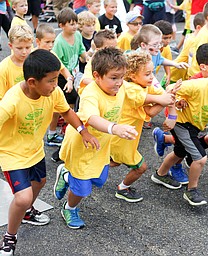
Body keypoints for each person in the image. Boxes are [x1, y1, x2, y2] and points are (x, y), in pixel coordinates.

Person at [0, 49, 99, 255]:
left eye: (57, 79)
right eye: (51, 81)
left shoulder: (53, 93)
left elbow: (66, 111)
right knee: (23, 197)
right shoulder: (13, 101)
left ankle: (27, 213)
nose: (56, 85)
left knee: (40, 183)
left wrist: (83, 131)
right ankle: (10, 236)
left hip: (35, 150)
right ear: (32, 82)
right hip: (12, 154)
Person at [53, 47, 138, 229]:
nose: (119, 82)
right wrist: (114, 128)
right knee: (82, 188)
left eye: (122, 77)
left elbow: (140, 93)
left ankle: (66, 175)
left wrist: (165, 97)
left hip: (101, 145)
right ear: (97, 75)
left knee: (98, 180)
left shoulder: (119, 87)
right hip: (82, 145)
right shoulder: (91, 93)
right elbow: (92, 118)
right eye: (114, 77)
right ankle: (69, 208)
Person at [151, 55, 208, 206]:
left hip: (194, 126)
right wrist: (176, 106)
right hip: (181, 123)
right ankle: (192, 190)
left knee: (179, 152)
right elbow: (169, 89)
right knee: (200, 158)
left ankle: (160, 174)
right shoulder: (198, 85)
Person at [110, 51, 179, 202]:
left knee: (113, 161)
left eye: (152, 72)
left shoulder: (145, 83)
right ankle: (122, 188)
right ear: (133, 76)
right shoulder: (129, 88)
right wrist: (166, 99)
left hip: (128, 138)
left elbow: (161, 95)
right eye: (147, 73)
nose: (152, 77)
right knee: (141, 167)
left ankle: (79, 172)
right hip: (121, 138)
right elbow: (151, 109)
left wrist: (168, 96)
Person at [152, 43, 208, 184]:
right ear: (203, 66)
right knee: (184, 148)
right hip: (179, 120)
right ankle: (173, 169)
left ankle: (163, 140)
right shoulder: (195, 81)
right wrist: (180, 101)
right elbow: (175, 92)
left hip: (192, 122)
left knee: (182, 147)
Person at [35, 23, 75, 147]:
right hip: (36, 94)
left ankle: (51, 134)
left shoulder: (52, 54)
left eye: (52, 42)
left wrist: (69, 79)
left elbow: (63, 69)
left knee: (58, 109)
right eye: (47, 42)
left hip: (51, 90)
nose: (51, 45)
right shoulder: (32, 57)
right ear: (38, 41)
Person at [52, 7, 88, 109]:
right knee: (69, 98)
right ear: (62, 25)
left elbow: (81, 50)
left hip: (75, 72)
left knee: (75, 97)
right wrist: (67, 78)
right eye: (71, 24)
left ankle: (68, 116)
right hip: (63, 76)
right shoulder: (59, 42)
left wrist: (87, 58)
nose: (75, 26)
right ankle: (66, 118)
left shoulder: (77, 35)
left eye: (76, 23)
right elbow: (57, 63)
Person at [78, 28, 117, 94]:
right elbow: (85, 80)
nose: (113, 51)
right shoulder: (94, 62)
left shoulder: (115, 60)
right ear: (98, 50)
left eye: (115, 47)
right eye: (109, 49)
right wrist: (104, 85)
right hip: (93, 94)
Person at [170, 12, 205, 83]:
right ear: (198, 27)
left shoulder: (191, 36)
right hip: (177, 74)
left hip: (181, 72)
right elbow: (189, 59)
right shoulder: (194, 40)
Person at [0, 24, 33, 100]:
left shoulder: (36, 63)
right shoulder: (3, 68)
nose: (24, 52)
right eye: (19, 48)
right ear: (10, 46)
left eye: (28, 47)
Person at [154, 19, 174, 88]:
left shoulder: (166, 48)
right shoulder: (149, 49)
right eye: (165, 38)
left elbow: (167, 62)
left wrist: (168, 74)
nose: (168, 41)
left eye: (170, 38)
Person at [77, 11, 96, 77]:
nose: (92, 28)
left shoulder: (96, 35)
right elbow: (82, 60)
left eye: (93, 25)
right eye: (88, 25)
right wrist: (92, 49)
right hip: (83, 71)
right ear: (80, 27)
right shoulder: (78, 38)